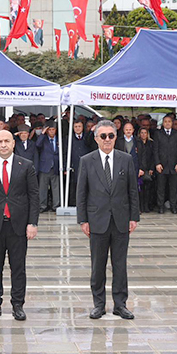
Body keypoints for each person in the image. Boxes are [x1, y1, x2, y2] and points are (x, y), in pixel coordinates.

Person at [76, 120, 139, 320]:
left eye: (111, 136)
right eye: (103, 136)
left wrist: (133, 217)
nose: (107, 140)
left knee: (120, 264)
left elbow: (132, 190)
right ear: (96, 139)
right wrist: (83, 219)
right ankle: (99, 304)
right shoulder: (87, 160)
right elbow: (81, 192)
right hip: (97, 220)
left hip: (120, 219)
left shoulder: (125, 159)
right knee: (98, 264)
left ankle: (120, 304)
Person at [0, 130, 39, 321]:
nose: (3, 145)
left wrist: (32, 223)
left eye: (7, 141)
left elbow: (34, 196)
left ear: (13, 143)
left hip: (18, 225)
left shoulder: (26, 165)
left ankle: (18, 304)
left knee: (18, 267)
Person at [153, 115, 177, 214]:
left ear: (172, 123)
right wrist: (157, 163)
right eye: (165, 121)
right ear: (163, 123)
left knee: (173, 188)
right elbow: (155, 150)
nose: (167, 123)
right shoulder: (158, 134)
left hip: (174, 165)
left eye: (169, 121)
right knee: (161, 188)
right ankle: (160, 206)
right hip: (161, 165)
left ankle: (173, 206)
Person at [36, 121, 61, 213]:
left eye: (53, 129)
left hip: (56, 166)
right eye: (49, 130)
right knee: (42, 188)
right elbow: (37, 145)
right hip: (45, 166)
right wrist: (42, 133)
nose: (51, 131)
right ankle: (42, 206)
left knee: (56, 187)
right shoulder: (44, 139)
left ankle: (56, 206)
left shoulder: (59, 139)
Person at [68, 120, 93, 206]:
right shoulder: (69, 138)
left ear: (83, 128)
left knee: (86, 184)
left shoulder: (87, 137)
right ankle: (74, 203)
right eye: (76, 127)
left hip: (86, 165)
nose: (78, 128)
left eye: (79, 126)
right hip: (74, 165)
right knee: (74, 185)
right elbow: (65, 152)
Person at [136, 127, 155, 215]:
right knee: (140, 189)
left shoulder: (151, 143)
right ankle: (140, 206)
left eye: (145, 133)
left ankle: (146, 206)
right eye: (142, 133)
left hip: (148, 168)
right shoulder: (137, 143)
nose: (143, 134)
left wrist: (151, 168)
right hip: (140, 168)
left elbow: (153, 156)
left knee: (148, 189)